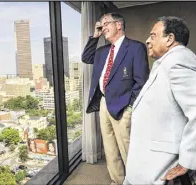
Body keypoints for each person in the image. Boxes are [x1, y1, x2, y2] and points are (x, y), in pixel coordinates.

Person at [123, 16, 196, 185]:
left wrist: (188, 160)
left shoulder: (178, 61)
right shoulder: (166, 62)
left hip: (160, 166)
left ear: (169, 39)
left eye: (153, 35)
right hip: (150, 160)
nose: (147, 41)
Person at [82, 12, 149, 184]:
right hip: (104, 102)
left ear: (119, 25)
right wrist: (95, 36)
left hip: (123, 105)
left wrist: (130, 107)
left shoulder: (135, 47)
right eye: (102, 25)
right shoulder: (102, 51)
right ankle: (117, 180)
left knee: (127, 149)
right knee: (110, 148)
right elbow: (86, 57)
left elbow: (141, 82)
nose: (103, 28)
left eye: (106, 24)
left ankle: (135, 181)